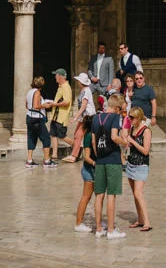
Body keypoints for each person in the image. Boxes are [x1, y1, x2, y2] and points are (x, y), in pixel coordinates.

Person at [89, 94, 126, 238]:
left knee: (99, 195)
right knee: (111, 195)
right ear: (116, 108)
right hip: (113, 160)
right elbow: (113, 136)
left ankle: (98, 228)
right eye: (121, 110)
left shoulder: (95, 118)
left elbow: (93, 141)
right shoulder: (115, 118)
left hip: (100, 161)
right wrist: (124, 143)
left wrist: (98, 155)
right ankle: (111, 230)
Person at [72, 115, 98, 233]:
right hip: (89, 170)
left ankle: (98, 221)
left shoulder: (94, 134)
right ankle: (78, 223)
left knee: (98, 196)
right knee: (86, 197)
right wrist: (95, 164)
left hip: (93, 169)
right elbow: (86, 157)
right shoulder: (88, 136)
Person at [23, 76, 55, 167]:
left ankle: (29, 160)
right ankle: (47, 160)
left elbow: (27, 105)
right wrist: (45, 105)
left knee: (31, 138)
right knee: (46, 138)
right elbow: (35, 106)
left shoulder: (29, 92)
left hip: (29, 117)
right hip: (37, 118)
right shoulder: (37, 92)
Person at [64, 73, 97, 161]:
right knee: (78, 135)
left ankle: (75, 155)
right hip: (85, 117)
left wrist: (75, 118)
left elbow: (83, 106)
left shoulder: (86, 91)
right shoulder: (84, 90)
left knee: (79, 135)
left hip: (88, 117)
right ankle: (76, 154)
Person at [48, 69, 73, 157]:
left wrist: (55, 104)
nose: (55, 77)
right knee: (53, 135)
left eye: (56, 75)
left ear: (60, 76)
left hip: (61, 117)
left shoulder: (66, 87)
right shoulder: (61, 86)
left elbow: (66, 102)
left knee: (62, 136)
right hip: (55, 117)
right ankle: (54, 155)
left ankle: (77, 147)